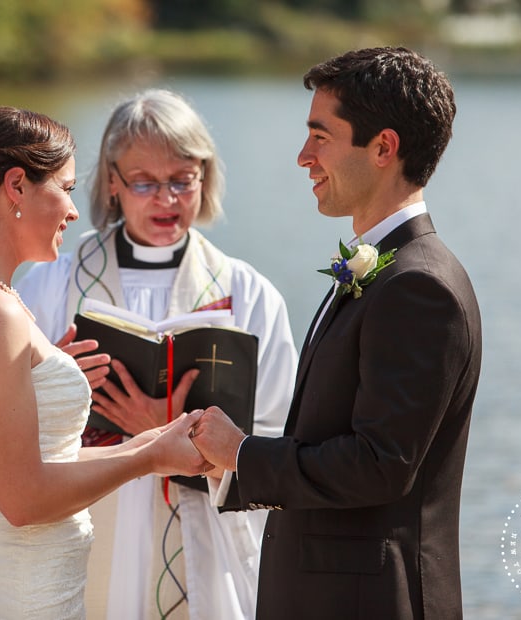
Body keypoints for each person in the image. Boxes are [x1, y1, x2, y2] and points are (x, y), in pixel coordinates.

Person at [0, 106, 210, 619]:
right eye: (66, 188)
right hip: (11, 588)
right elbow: (22, 500)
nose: (73, 211)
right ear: (17, 187)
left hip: (23, 576)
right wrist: (149, 460)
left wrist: (148, 441)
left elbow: (32, 464)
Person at [189, 47, 483, 619]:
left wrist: (243, 454)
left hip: (370, 602)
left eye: (320, 137)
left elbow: (381, 463)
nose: (303, 157)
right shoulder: (385, 267)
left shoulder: (419, 286)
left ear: (383, 148)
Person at [18, 89, 298, 619]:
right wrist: (51, 378)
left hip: (203, 539)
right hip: (86, 518)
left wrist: (168, 428)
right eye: (144, 182)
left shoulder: (248, 294)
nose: (165, 199)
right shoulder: (52, 283)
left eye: (181, 180)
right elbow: (5, 424)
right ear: (112, 183)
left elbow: (278, 443)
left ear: (205, 176)